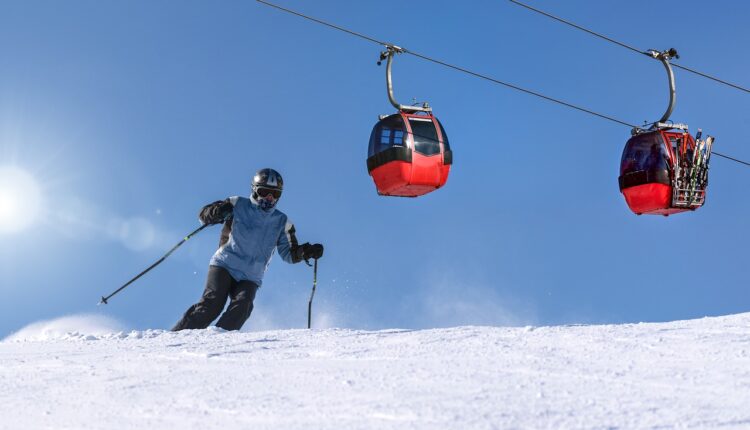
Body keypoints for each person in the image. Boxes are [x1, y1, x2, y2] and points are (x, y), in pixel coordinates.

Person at [172, 168, 323, 331]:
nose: (269, 198)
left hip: (251, 276)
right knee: (212, 305)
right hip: (225, 264)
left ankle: (217, 340)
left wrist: (306, 251)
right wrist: (218, 211)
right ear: (255, 190)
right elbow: (204, 216)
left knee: (243, 307)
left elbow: (290, 254)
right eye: (264, 191)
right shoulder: (238, 203)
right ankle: (177, 337)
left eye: (275, 194)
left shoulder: (282, 222)